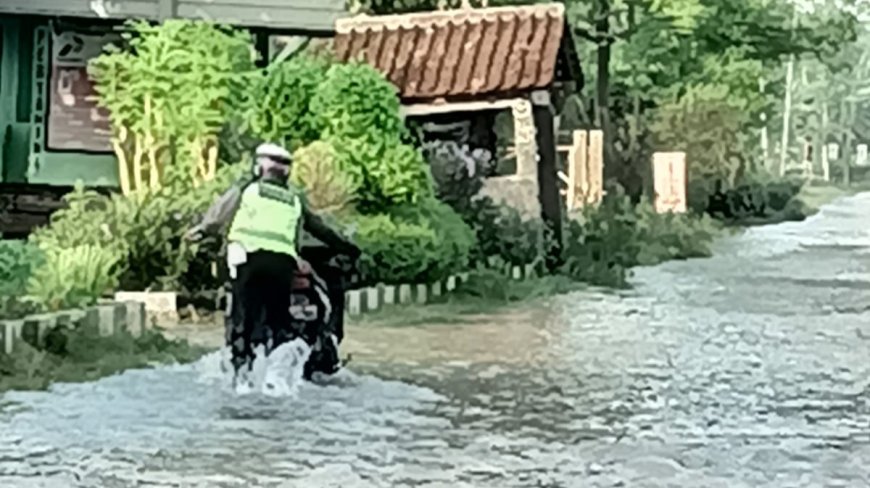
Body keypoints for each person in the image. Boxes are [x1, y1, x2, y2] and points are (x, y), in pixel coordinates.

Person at [186, 143, 360, 390]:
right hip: (282, 266)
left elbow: (218, 214)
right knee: (280, 320)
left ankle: (241, 377)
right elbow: (320, 229)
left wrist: (202, 230)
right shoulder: (294, 200)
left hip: (248, 262)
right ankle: (278, 376)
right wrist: (347, 247)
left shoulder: (247, 189)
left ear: (258, 167)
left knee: (242, 318)